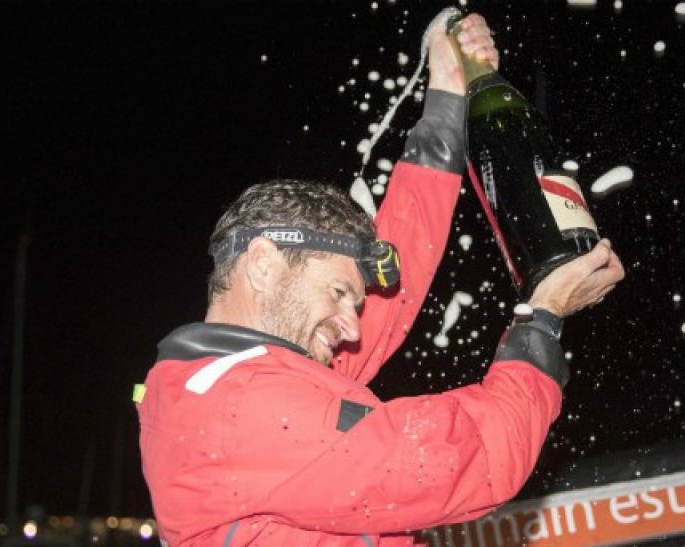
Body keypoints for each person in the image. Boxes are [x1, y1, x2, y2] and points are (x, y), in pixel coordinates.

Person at [136, 13, 625, 547]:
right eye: (339, 293)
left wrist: (446, 101)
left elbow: (396, 281)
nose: (353, 325)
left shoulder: (249, 373)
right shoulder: (234, 410)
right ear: (265, 264)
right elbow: (460, 457)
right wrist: (542, 320)